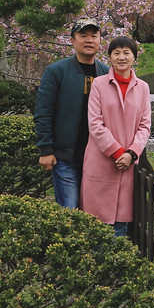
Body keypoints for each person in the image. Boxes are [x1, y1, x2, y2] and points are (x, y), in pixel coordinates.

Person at [34, 16, 109, 209]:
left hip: (99, 157)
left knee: (96, 211)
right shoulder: (56, 71)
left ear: (100, 40)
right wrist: (46, 149)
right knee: (70, 208)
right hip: (67, 156)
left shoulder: (107, 73)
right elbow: (43, 111)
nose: (89, 40)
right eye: (83, 35)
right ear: (72, 40)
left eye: (94, 35)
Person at [81, 35, 151, 237]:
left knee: (121, 223)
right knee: (96, 225)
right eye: (116, 52)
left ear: (134, 57)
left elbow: (145, 125)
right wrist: (117, 151)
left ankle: (115, 267)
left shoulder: (143, 88)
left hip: (128, 163)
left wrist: (131, 153)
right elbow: (95, 123)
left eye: (126, 52)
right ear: (109, 57)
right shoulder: (99, 84)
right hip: (100, 160)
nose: (121, 57)